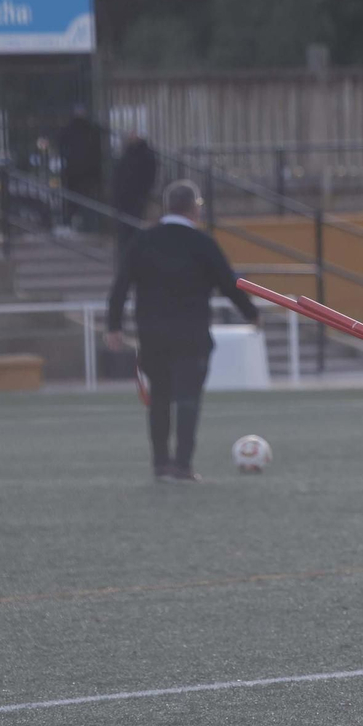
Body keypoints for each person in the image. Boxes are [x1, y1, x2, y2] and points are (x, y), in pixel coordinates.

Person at [105, 180, 260, 483]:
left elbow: (120, 285)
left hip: (152, 335)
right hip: (191, 335)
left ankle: (160, 464)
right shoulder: (202, 243)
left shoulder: (143, 240)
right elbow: (229, 283)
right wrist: (252, 313)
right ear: (194, 208)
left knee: (159, 398)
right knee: (188, 399)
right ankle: (183, 465)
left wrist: (114, 326)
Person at [58, 105, 104, 231]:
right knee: (88, 200)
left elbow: (61, 146)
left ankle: (69, 224)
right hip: (89, 171)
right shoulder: (91, 130)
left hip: (73, 171)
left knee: (72, 200)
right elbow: (97, 151)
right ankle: (89, 226)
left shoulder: (68, 129)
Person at [111, 133, 159, 251]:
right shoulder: (128, 153)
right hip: (125, 196)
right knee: (125, 225)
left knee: (132, 224)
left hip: (136, 196)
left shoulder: (144, 155)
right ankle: (126, 248)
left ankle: (131, 248)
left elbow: (148, 177)